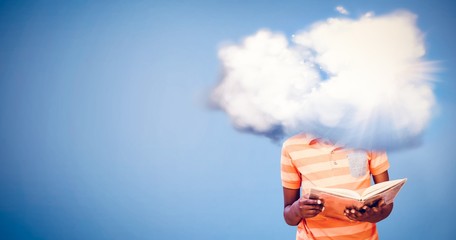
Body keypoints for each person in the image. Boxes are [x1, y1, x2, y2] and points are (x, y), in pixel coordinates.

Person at [281, 133, 393, 240]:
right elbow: (288, 216)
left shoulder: (370, 140)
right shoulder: (291, 146)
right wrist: (297, 210)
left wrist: (373, 215)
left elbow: (387, 204)